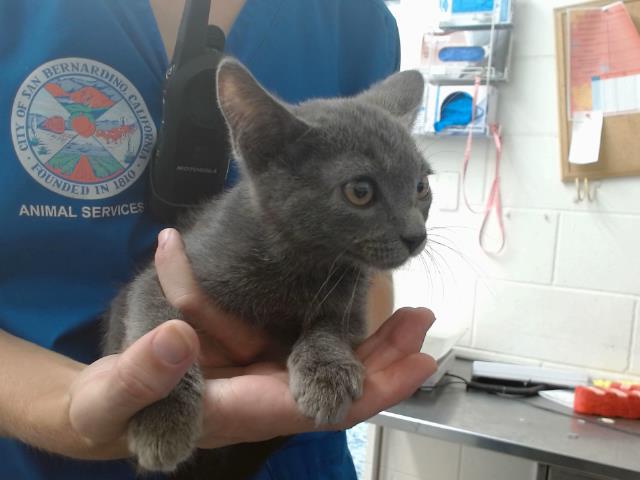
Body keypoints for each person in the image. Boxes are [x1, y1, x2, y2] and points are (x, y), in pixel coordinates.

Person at [0, 0, 437, 478]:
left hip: (294, 453)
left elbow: (363, 288)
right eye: (360, 190)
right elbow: (154, 291)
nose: (416, 229)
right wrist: (76, 411)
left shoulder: (357, 19)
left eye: (420, 188)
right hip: (45, 456)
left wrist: (325, 343)